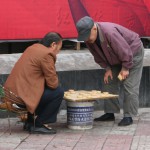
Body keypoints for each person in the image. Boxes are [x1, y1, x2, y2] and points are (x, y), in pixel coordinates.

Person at [76, 16, 144, 126]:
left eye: (87, 36)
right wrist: (107, 69)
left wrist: (125, 68)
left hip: (132, 53)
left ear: (94, 28)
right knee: (109, 82)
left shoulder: (110, 33)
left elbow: (125, 51)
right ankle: (110, 113)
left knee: (129, 85)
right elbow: (97, 55)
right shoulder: (89, 39)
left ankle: (128, 115)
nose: (86, 39)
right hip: (114, 57)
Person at [4, 32, 64, 134]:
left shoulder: (33, 48)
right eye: (59, 48)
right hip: (19, 98)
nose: (58, 52)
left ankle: (30, 122)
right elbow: (53, 84)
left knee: (39, 89)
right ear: (53, 45)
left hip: (10, 94)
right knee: (57, 92)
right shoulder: (47, 54)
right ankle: (40, 124)